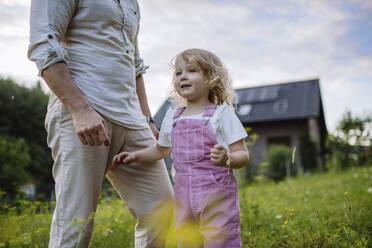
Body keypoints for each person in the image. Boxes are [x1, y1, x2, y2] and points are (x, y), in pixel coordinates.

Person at [27, 0, 173, 247]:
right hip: (84, 111)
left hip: (131, 117)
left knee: (161, 209)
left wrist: (147, 118)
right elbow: (44, 44)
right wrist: (80, 109)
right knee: (76, 220)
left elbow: (134, 64)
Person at [113, 48, 249, 247]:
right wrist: (135, 156)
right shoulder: (173, 117)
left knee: (221, 240)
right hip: (184, 197)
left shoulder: (222, 114)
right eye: (178, 73)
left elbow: (242, 154)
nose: (182, 76)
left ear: (211, 79)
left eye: (192, 70)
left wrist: (228, 158)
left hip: (216, 197)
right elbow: (161, 150)